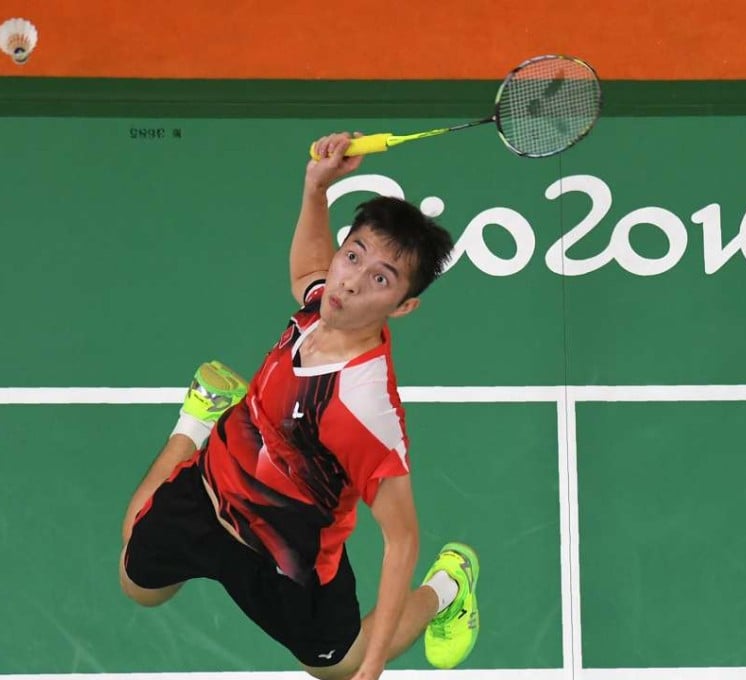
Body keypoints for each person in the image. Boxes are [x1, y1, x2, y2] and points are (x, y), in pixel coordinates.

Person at [119, 132, 478, 680]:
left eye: (378, 278)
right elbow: (305, 272)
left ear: (403, 307)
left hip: (289, 562)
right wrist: (316, 188)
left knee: (335, 668)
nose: (350, 282)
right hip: (209, 492)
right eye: (351, 256)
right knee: (138, 586)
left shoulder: (363, 408)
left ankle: (450, 585)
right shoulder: (322, 306)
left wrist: (374, 664)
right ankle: (202, 415)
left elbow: (401, 538)